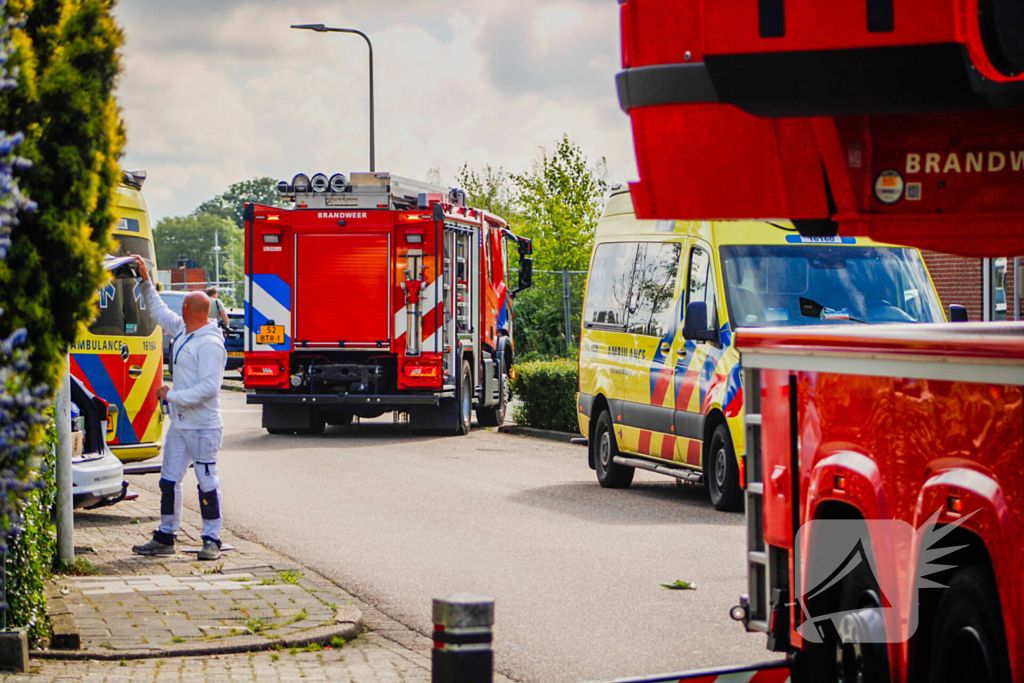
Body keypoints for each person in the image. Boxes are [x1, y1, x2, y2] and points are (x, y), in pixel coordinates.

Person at [131, 255, 227, 560]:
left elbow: (208, 389)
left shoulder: (209, 344)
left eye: (182, 304)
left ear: (187, 310)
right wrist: (145, 281)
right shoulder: (186, 331)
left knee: (206, 480)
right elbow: (159, 311)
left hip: (203, 425)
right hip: (182, 424)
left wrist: (171, 396)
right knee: (169, 479)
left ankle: (212, 538)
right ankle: (165, 535)